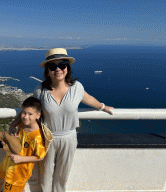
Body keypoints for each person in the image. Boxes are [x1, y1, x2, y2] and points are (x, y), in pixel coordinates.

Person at [9, 48, 113, 192]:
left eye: (62, 65)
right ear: (47, 70)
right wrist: (14, 123)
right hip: (47, 137)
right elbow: (29, 109)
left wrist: (103, 107)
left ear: (67, 68)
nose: (58, 69)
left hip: (69, 137)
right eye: (52, 66)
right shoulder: (40, 90)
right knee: (45, 173)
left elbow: (88, 98)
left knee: (63, 173)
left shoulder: (76, 88)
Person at [0, 97, 46, 192]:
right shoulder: (23, 124)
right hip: (9, 160)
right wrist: (10, 140)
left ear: (38, 115)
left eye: (30, 114)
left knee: (11, 189)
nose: (25, 117)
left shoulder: (37, 137)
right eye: (24, 113)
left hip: (20, 169)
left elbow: (41, 156)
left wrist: (21, 159)